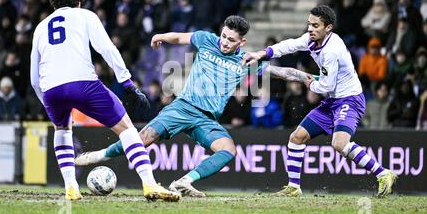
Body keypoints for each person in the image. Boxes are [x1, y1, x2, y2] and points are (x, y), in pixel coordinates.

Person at [75, 15, 314, 197]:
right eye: (223, 36)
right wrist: (161, 36)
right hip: (183, 107)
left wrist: (303, 77)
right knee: (143, 138)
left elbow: (277, 72)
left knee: (228, 150)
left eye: (231, 40)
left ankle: (184, 181)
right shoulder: (207, 39)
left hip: (206, 119)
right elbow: (181, 37)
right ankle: (99, 156)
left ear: (242, 41)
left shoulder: (245, 60)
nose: (224, 42)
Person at [30, 0, 179, 202]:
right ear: (79, 3)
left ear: (54, 6)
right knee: (127, 128)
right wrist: (127, 83)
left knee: (62, 130)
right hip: (83, 83)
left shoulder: (40, 27)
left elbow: (34, 77)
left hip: (50, 88)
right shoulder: (85, 15)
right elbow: (108, 49)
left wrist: (47, 102)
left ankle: (71, 188)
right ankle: (149, 183)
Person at [242, 5, 397, 198]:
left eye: (316, 25)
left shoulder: (332, 50)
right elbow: (288, 45)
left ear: (328, 27)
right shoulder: (312, 40)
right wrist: (261, 54)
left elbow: (326, 87)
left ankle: (383, 173)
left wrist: (310, 83)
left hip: (349, 99)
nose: (310, 29)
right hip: (333, 100)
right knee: (296, 138)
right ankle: (294, 187)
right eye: (309, 24)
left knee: (339, 144)